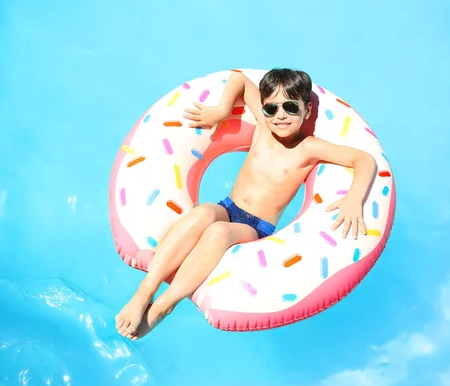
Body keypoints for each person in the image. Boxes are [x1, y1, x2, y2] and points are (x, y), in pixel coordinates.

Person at [115, 68, 378, 340]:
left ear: (307, 110)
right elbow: (238, 78)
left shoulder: (310, 147)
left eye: (290, 107)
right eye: (271, 109)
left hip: (256, 227)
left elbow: (364, 160)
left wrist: (353, 199)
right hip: (228, 206)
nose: (280, 116)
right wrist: (221, 110)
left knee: (218, 232)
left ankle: (164, 305)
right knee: (203, 212)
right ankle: (144, 291)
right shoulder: (263, 128)